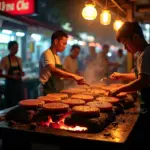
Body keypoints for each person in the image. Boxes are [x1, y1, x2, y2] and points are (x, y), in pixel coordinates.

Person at [108, 22, 150, 149]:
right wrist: (121, 76)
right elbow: (140, 76)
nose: (125, 48)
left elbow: (143, 81)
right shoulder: (142, 53)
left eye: (126, 43)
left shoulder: (147, 54)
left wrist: (119, 89)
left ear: (135, 38)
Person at [39, 30, 86, 95]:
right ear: (56, 41)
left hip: (56, 91)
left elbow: (62, 71)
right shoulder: (47, 54)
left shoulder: (56, 56)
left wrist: (76, 77)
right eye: (64, 43)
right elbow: (53, 70)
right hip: (48, 91)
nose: (65, 46)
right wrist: (73, 76)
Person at [0, 41, 25, 108]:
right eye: (14, 48)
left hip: (19, 85)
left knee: (20, 104)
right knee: (10, 105)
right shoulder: (4, 59)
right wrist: (11, 76)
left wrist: (22, 73)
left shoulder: (19, 59)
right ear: (9, 48)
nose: (16, 49)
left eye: (17, 48)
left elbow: (20, 71)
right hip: (10, 86)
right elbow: (0, 74)